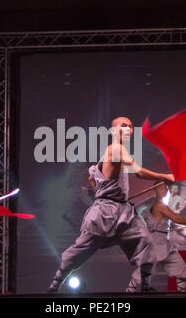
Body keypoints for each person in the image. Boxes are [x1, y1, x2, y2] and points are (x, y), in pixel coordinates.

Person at [47, 117, 174, 292]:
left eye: (130, 126)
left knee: (145, 246)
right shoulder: (116, 149)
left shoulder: (113, 153)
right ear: (114, 131)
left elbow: (94, 179)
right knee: (80, 251)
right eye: (123, 126)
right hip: (104, 213)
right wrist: (166, 177)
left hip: (123, 212)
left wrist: (96, 188)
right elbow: (139, 173)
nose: (128, 129)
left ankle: (145, 287)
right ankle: (55, 285)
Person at [126, 182, 186, 292]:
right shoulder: (160, 206)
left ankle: (181, 293)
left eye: (166, 188)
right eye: (161, 188)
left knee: (180, 268)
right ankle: (129, 291)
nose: (165, 190)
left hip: (163, 242)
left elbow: (167, 222)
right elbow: (176, 218)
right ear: (155, 191)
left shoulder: (158, 205)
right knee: (145, 271)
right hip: (156, 244)